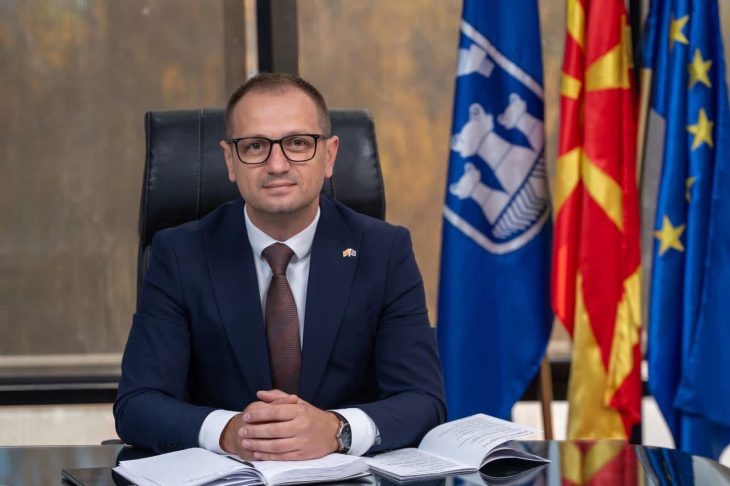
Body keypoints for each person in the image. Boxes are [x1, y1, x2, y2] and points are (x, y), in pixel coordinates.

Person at [114, 73, 445, 460]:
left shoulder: (384, 251)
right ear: (230, 160)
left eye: (298, 143)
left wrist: (335, 429)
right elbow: (137, 404)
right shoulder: (179, 254)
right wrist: (230, 431)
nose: (277, 164)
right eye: (255, 146)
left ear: (330, 155)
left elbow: (423, 400)